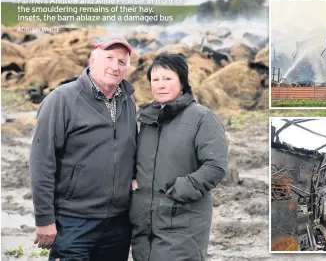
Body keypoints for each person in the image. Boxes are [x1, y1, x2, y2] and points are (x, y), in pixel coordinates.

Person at [29, 37, 137, 260]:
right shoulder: (62, 100)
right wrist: (44, 219)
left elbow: (130, 150)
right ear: (92, 59)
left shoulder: (127, 101)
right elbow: (41, 163)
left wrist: (134, 177)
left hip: (118, 224)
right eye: (109, 58)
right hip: (74, 223)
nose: (115, 66)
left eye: (122, 62)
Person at [130, 53, 228, 261]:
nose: (161, 85)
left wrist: (178, 191)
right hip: (145, 224)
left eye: (167, 78)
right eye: (155, 80)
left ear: (182, 82)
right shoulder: (146, 120)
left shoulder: (202, 118)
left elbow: (215, 166)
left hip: (183, 221)